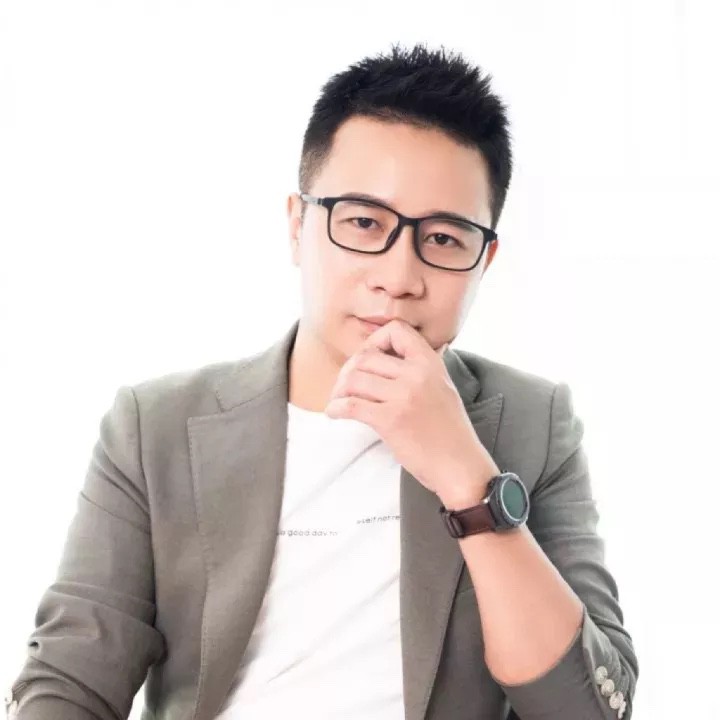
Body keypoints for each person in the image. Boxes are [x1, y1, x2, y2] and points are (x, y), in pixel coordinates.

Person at [6, 43, 638, 720]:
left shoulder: (535, 423)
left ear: (484, 260)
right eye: (364, 222)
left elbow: (588, 709)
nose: (398, 277)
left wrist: (466, 476)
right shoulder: (155, 426)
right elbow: (70, 681)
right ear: (297, 225)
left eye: (444, 239)